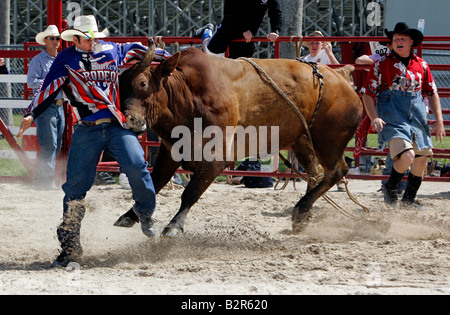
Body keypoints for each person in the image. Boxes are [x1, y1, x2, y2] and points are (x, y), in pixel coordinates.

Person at [18, 15, 171, 267]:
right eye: (87, 38)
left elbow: (137, 51)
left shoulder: (111, 50)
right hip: (86, 129)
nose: (92, 41)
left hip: (115, 125)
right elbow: (48, 88)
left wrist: (162, 53)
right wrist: (31, 113)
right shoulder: (66, 60)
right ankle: (69, 248)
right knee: (75, 188)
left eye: (94, 37)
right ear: (76, 38)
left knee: (137, 164)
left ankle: (144, 213)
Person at [361, 22, 445, 206]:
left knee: (421, 159)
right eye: (396, 39)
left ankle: (408, 200)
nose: (399, 41)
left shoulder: (422, 65)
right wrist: (374, 116)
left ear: (411, 42)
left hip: (417, 115)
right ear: (391, 43)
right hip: (392, 114)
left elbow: (432, 93)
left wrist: (439, 121)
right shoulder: (381, 64)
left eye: (403, 38)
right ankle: (390, 188)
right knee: (407, 156)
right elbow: (367, 94)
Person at [26, 25, 65, 190]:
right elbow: (31, 82)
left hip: (59, 106)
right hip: (46, 106)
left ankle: (42, 180)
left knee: (55, 144)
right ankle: (46, 180)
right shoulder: (38, 60)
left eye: (57, 38)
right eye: (52, 38)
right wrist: (48, 83)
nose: (56, 41)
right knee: (50, 144)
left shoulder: (61, 59)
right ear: (45, 41)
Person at [193, 0, 282, 59]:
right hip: (230, 26)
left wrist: (275, 30)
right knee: (211, 54)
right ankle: (207, 31)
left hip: (249, 34)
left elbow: (275, 12)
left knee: (240, 62)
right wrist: (244, 29)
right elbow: (230, 10)